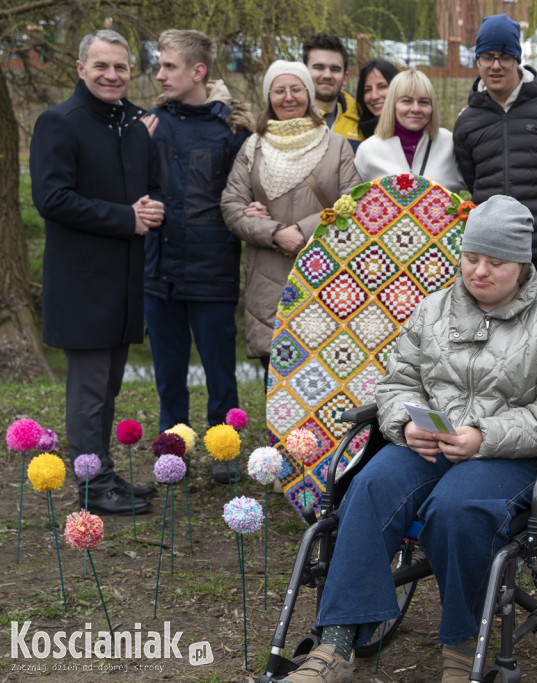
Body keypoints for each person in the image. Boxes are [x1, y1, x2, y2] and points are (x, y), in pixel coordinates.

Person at [281, 196, 537, 683]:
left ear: (523, 264)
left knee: (457, 510)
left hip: (508, 456)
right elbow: (397, 383)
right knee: (370, 487)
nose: (479, 271)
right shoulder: (433, 310)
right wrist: (405, 425)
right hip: (431, 443)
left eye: (495, 262)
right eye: (471, 258)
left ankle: (463, 642)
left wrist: (482, 436)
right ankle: (336, 644)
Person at [30, 29, 163, 515]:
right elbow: (51, 199)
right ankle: (91, 486)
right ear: (81, 69)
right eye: (102, 66)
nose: (112, 75)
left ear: (131, 71)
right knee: (88, 392)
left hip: (125, 281)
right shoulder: (58, 122)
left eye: (121, 67)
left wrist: (153, 208)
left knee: (107, 388)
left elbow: (148, 187)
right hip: (81, 283)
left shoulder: (132, 123)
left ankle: (102, 471)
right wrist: (127, 218)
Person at [141, 30, 254, 485]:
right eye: (159, 65)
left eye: (168, 66)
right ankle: (175, 453)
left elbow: (247, 190)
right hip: (159, 272)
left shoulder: (232, 131)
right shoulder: (149, 125)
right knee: (169, 376)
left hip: (213, 273)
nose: (159, 74)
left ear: (198, 71)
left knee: (220, 373)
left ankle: (224, 451)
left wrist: (257, 207)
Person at [221, 61, 360, 367]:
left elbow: (353, 203)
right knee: (277, 384)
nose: (288, 97)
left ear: (308, 95)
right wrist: (274, 233)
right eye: (279, 90)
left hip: (325, 276)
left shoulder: (336, 146)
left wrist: (302, 230)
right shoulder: (252, 148)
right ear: (269, 96)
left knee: (326, 377)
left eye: (296, 89)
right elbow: (231, 206)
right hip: (268, 279)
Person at [453, 13, 537, 308]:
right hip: (494, 256)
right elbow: (472, 178)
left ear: (517, 59)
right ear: (477, 60)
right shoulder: (468, 122)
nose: (495, 65)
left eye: (504, 56)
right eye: (487, 56)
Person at [354, 69, 464, 191]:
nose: (416, 109)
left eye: (423, 102)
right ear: (392, 105)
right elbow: (355, 202)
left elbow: (480, 186)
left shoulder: (449, 143)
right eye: (406, 101)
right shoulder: (368, 150)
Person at [302, 33, 362, 150]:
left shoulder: (361, 121)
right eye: (319, 67)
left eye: (335, 69)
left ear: (345, 77)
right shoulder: (286, 117)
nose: (327, 75)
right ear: (303, 72)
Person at [354, 59, 398, 140]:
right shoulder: (357, 134)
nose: (374, 96)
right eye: (367, 90)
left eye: (382, 86)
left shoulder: (415, 129)